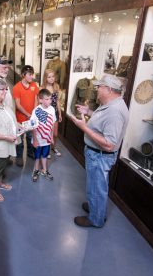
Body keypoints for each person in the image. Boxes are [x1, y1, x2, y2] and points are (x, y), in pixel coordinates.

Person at [68, 74, 129, 228]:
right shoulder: (110, 103)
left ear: (108, 89)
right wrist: (88, 112)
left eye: (99, 87)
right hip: (96, 155)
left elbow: (109, 144)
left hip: (100, 157)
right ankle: (96, 208)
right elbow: (103, 122)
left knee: (97, 188)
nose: (96, 89)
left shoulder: (115, 111)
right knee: (95, 186)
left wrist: (84, 127)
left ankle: (96, 219)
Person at [13, 65, 39, 164]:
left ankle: (30, 152)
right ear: (23, 75)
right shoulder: (16, 87)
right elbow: (18, 105)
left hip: (31, 118)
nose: (32, 77)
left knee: (29, 137)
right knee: (20, 139)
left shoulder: (34, 86)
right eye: (30, 75)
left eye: (32, 75)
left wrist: (33, 112)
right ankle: (19, 157)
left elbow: (36, 99)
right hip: (20, 119)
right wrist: (28, 114)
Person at [31, 89, 56, 182]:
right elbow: (33, 126)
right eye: (47, 99)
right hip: (38, 139)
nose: (49, 101)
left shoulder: (52, 109)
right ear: (40, 100)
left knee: (45, 155)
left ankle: (44, 170)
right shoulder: (36, 110)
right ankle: (36, 170)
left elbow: (52, 124)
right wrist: (35, 140)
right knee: (37, 156)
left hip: (47, 140)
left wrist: (52, 137)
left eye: (50, 99)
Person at [42, 68, 63, 157]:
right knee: (46, 132)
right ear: (45, 78)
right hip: (46, 114)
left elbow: (57, 101)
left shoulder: (56, 86)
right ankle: (46, 150)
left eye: (53, 76)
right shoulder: (42, 88)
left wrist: (60, 113)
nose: (51, 78)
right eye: (49, 77)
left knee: (55, 133)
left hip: (55, 113)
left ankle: (53, 147)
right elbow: (40, 102)